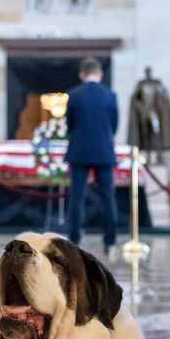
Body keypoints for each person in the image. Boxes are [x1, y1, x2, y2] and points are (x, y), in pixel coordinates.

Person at [65, 57, 119, 256]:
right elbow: (114, 125)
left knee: (76, 198)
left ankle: (75, 239)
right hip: (104, 151)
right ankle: (110, 242)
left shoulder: (74, 95)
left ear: (82, 74)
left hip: (79, 151)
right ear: (100, 74)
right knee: (108, 198)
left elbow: (69, 124)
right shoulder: (110, 95)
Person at [128, 66, 170, 160]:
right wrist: (140, 107)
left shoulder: (157, 83)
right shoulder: (141, 84)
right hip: (143, 113)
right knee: (145, 134)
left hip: (154, 113)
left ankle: (159, 155)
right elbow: (135, 99)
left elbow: (163, 96)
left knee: (156, 132)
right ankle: (148, 156)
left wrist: (160, 107)